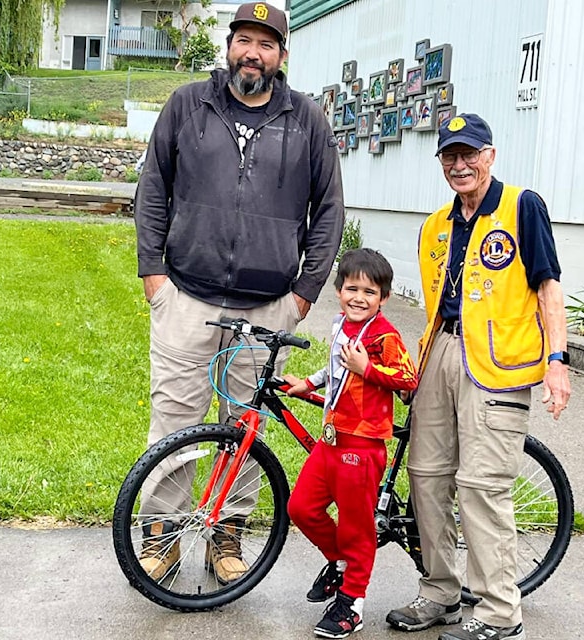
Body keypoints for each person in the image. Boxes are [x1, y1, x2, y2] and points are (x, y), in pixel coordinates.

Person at [132, 1, 344, 585]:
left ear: (282, 55)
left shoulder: (307, 121)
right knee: (175, 423)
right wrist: (154, 274)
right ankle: (164, 537)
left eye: (266, 43)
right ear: (230, 46)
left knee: (246, 425)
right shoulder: (187, 106)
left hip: (267, 305)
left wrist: (302, 296)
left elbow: (328, 212)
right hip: (187, 300)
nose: (253, 52)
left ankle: (228, 535)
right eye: (244, 40)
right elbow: (153, 188)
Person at [386, 113, 571, 640]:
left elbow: (547, 289)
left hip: (497, 364)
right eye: (450, 156)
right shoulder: (435, 225)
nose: (460, 164)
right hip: (441, 353)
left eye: (470, 154)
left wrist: (556, 361)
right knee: (426, 477)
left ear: (490, 155)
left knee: (482, 487)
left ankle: (497, 612)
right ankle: (440, 592)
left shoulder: (522, 206)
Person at [282, 248, 418, 639]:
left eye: (369, 292)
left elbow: (407, 378)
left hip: (362, 444)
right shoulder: (341, 324)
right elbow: (336, 368)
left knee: (357, 528)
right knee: (302, 508)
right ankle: (340, 564)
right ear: (339, 290)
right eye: (351, 288)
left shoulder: (384, 335)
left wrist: (368, 369)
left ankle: (352, 604)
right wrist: (307, 383)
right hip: (332, 439)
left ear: (384, 298)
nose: (359, 297)